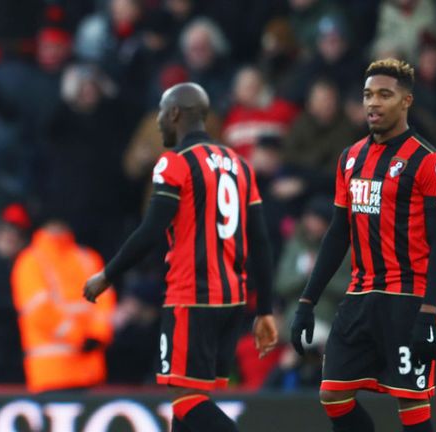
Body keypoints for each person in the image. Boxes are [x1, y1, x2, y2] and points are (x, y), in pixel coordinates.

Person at [83, 82, 278, 432]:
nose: (158, 123)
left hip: (192, 297)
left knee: (186, 400)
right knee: (187, 405)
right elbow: (260, 241)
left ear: (174, 114)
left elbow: (151, 230)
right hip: (231, 300)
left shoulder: (175, 163)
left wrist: (107, 275)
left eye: (160, 113)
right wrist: (263, 309)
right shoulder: (239, 164)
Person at [291, 58, 436, 432]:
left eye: (384, 95)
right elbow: (338, 233)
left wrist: (429, 313)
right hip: (359, 297)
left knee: (411, 401)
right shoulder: (350, 158)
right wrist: (307, 301)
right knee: (333, 395)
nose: (373, 103)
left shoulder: (427, 162)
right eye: (368, 95)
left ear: (406, 101)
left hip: (407, 299)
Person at [12, 220, 116, 393]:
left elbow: (105, 303)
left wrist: (98, 334)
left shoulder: (88, 258)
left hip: (90, 371)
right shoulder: (30, 261)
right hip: (51, 373)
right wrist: (81, 337)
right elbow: (39, 311)